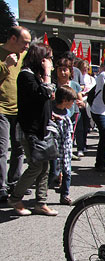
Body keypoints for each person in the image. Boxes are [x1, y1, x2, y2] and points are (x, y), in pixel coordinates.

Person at [8, 43, 58, 216]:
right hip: (30, 130)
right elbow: (44, 93)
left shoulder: (36, 77)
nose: (51, 62)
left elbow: (48, 97)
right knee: (36, 166)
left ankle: (40, 202)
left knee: (45, 167)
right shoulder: (26, 76)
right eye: (49, 58)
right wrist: (47, 74)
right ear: (41, 59)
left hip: (42, 129)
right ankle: (15, 197)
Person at [0, 26, 31, 202]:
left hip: (19, 109)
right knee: (2, 149)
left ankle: (15, 182)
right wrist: (6, 66)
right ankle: (1, 187)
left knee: (19, 149)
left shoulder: (24, 57)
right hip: (1, 110)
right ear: (12, 39)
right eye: (24, 43)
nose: (26, 47)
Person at [51, 85, 76, 205]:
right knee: (53, 172)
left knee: (67, 171)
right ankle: (42, 194)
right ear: (65, 99)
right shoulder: (51, 110)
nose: (73, 103)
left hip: (65, 146)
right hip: (54, 146)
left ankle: (65, 194)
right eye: (72, 100)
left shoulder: (68, 112)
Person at [75, 59, 95, 157]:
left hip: (87, 104)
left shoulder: (91, 79)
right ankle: (80, 146)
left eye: (86, 69)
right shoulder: (76, 76)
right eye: (82, 69)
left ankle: (83, 144)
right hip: (78, 102)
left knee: (86, 126)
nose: (84, 71)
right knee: (79, 127)